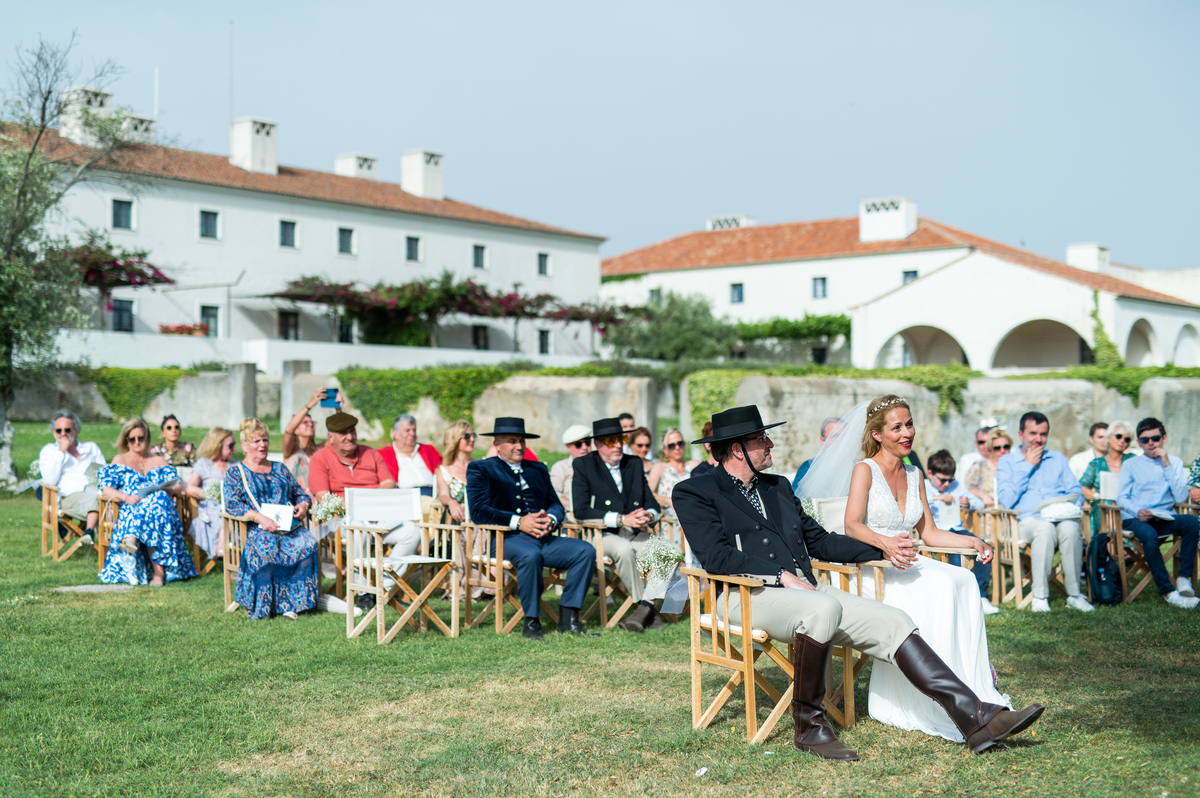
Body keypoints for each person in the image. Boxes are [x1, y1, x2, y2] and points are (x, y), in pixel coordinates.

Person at [675, 405, 1043, 761]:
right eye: (762, 440)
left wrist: (882, 551)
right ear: (738, 448)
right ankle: (808, 727)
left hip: (806, 592)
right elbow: (717, 558)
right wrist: (781, 576)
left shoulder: (777, 487)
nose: (771, 445)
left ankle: (974, 717)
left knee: (894, 620)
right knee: (823, 607)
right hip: (743, 595)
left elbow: (819, 541)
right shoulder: (695, 491)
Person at [836, 397, 1008, 741]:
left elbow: (928, 533)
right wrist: (885, 544)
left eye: (909, 424)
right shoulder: (864, 470)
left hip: (908, 561)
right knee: (941, 586)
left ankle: (976, 691)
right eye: (897, 427)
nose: (906, 433)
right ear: (877, 434)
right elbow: (851, 524)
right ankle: (946, 705)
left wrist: (972, 541)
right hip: (874, 569)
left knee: (964, 579)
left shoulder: (915, 474)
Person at [466, 417, 596, 639]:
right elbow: (479, 512)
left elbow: (555, 504)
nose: (519, 446)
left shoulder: (537, 468)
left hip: (542, 537)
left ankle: (569, 619)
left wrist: (551, 520)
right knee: (530, 554)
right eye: (512, 441)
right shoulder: (481, 468)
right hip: (505, 540)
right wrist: (519, 521)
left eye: (522, 440)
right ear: (497, 444)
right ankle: (532, 621)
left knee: (585, 550)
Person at [573, 417, 673, 633]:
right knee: (625, 550)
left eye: (620, 439)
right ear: (598, 444)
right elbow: (580, 510)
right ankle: (646, 610)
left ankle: (644, 608)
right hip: (602, 534)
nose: (618, 444)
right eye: (611, 441)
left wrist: (649, 514)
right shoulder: (584, 464)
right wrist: (621, 518)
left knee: (670, 552)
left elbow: (652, 501)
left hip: (635, 531)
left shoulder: (633, 463)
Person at [997, 411, 1094, 613]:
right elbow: (1005, 500)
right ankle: (1040, 596)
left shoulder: (1056, 458)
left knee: (1070, 528)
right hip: (1025, 522)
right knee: (1045, 529)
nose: (1038, 439)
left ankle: (1075, 595)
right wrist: (1027, 466)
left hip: (1059, 516)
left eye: (1043, 434)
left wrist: (1066, 504)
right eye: (1033, 433)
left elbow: (1076, 491)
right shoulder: (1007, 462)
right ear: (1020, 433)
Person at [223, 418, 315, 619]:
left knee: (307, 541)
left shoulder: (280, 469)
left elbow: (299, 493)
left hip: (286, 526)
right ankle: (263, 604)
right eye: (256, 441)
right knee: (267, 543)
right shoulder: (235, 473)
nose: (262, 445)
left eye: (265, 440)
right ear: (245, 446)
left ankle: (290, 602)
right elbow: (233, 504)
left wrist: (303, 505)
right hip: (254, 529)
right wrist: (258, 517)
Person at [98, 418, 197, 586]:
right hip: (131, 507)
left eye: (141, 438)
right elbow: (106, 489)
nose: (137, 442)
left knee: (157, 500)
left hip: (159, 511)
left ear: (147, 438)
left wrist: (167, 489)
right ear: (126, 440)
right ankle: (158, 574)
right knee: (153, 507)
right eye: (132, 439)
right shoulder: (120, 459)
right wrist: (126, 497)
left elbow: (178, 486)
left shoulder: (158, 460)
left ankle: (131, 541)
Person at [1116, 418, 1199, 609]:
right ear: (1139, 443)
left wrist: (1167, 464)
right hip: (1135, 518)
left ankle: (1183, 579)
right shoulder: (1131, 465)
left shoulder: (1175, 462)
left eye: (1155, 438)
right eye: (1145, 440)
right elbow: (1121, 498)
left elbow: (1180, 496)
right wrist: (1138, 511)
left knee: (1191, 522)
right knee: (1149, 534)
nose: (1151, 443)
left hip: (1163, 517)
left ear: (1164, 438)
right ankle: (1168, 592)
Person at [924, 449, 996, 614]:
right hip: (936, 532)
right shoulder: (925, 487)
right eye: (942, 480)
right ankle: (959, 597)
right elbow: (912, 503)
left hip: (957, 529)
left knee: (983, 547)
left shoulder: (955, 486)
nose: (947, 485)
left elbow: (979, 503)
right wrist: (936, 498)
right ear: (930, 473)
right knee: (956, 552)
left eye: (950, 480)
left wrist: (968, 502)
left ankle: (982, 596)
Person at [39, 409, 105, 540]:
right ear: (54, 433)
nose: (63, 434)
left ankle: (94, 537)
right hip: (67, 498)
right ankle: (92, 534)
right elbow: (50, 480)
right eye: (59, 431)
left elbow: (103, 473)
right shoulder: (49, 451)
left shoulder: (90, 448)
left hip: (96, 493)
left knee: (99, 496)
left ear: (76, 431)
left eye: (67, 430)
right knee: (98, 501)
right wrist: (61, 452)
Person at [184, 427, 235, 558]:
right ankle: (221, 549)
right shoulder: (204, 464)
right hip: (209, 508)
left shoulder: (236, 466)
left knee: (231, 510)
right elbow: (190, 488)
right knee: (223, 512)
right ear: (218, 446)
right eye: (230, 445)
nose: (234, 449)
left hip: (231, 505)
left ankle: (225, 552)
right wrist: (213, 493)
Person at [1079, 422, 1134, 538]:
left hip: (1128, 505)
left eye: (1127, 439)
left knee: (1117, 511)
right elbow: (1081, 487)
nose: (1122, 441)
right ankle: (1117, 549)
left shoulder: (1133, 460)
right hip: (1102, 507)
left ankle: (1114, 548)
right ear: (1108, 438)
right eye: (1118, 436)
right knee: (1108, 510)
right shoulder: (1096, 464)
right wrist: (1097, 496)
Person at [378, 413, 441, 497]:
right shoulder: (383, 454)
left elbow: (443, 470)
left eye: (414, 430)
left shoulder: (429, 450)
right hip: (403, 496)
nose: (412, 434)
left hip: (432, 494)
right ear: (395, 434)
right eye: (407, 430)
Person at [648, 426, 700, 523]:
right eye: (672, 445)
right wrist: (667, 500)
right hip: (670, 523)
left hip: (693, 521)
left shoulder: (694, 466)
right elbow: (649, 495)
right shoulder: (660, 468)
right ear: (665, 449)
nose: (677, 448)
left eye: (680, 443)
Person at [282, 387, 328, 493]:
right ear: (296, 429)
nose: (310, 424)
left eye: (312, 422)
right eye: (305, 422)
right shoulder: (291, 450)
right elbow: (288, 431)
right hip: (294, 502)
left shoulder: (320, 449)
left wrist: (338, 409)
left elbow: (337, 438)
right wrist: (311, 403)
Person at [436, 420, 477, 525]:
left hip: (480, 520)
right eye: (467, 436)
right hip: (459, 523)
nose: (472, 439)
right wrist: (451, 502)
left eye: (473, 435)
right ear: (455, 439)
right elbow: (443, 495)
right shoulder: (444, 471)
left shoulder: (480, 465)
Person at [965, 428, 1013, 508]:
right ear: (991, 449)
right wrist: (983, 495)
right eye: (997, 448)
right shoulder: (980, 466)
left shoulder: (1016, 467)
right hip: (985, 512)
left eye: (1006, 447)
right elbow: (969, 489)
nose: (1002, 450)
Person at [550, 424, 592, 516]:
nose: (584, 447)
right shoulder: (561, 468)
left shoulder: (599, 465)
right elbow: (554, 493)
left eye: (588, 442)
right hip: (571, 516)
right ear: (568, 447)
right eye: (578, 444)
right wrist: (575, 505)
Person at [792, 417, 841, 490]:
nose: (840, 439)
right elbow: (795, 495)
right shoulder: (808, 467)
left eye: (845, 435)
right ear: (822, 440)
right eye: (834, 436)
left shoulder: (857, 465)